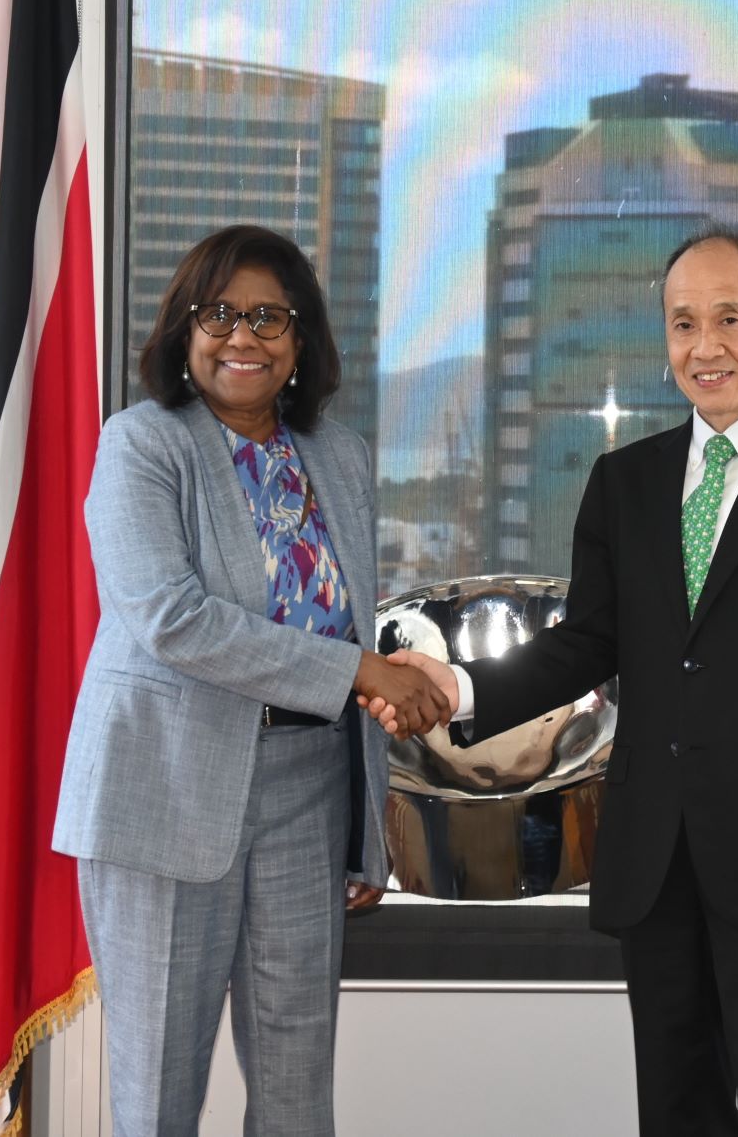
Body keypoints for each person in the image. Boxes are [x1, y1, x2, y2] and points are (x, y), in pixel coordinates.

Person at [372, 229, 738, 1137]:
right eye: (683, 323)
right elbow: (585, 646)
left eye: (729, 319)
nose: (705, 346)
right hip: (656, 859)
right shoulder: (627, 480)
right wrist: (457, 685)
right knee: (675, 1108)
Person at [52, 223, 445, 1137]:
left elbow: (352, 623)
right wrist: (358, 668)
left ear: (301, 340)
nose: (244, 336)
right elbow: (173, 619)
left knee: (299, 1089)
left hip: (307, 794)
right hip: (166, 789)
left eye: (270, 317)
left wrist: (365, 829)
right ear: (184, 332)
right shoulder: (141, 446)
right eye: (220, 313)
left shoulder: (337, 455)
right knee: (157, 1091)